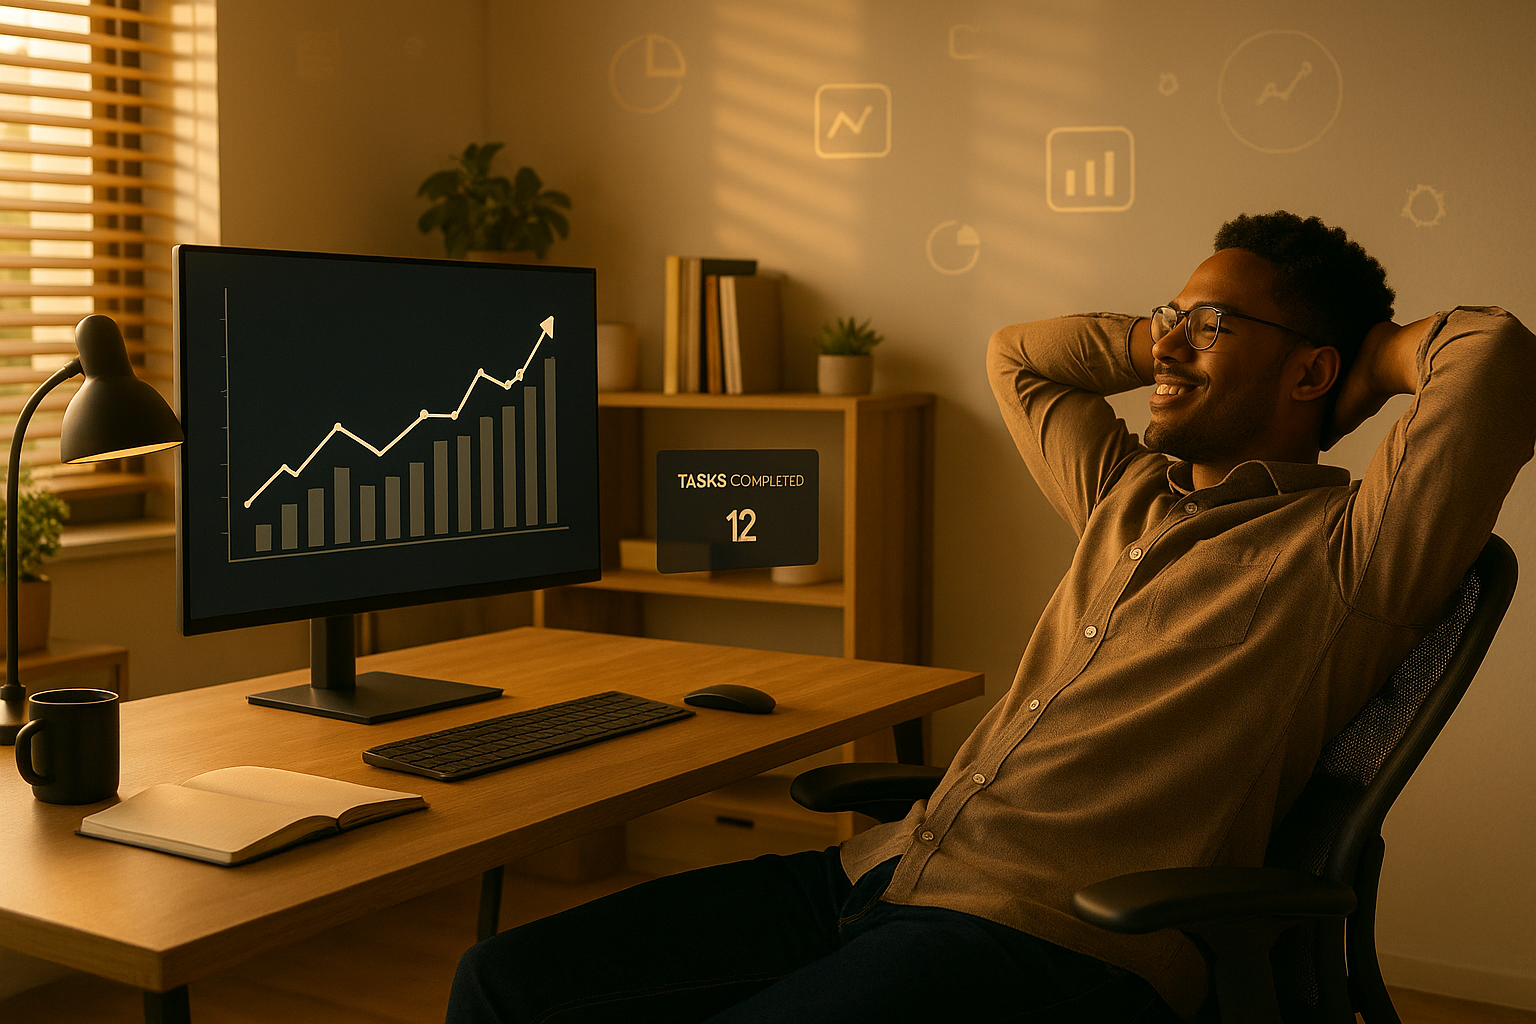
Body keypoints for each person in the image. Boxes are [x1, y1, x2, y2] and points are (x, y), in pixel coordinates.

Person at [446, 212, 1536, 1023]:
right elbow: (1018, 355)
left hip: (1050, 938)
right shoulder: (1128, 497)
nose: (1167, 345)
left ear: (1311, 368)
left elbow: (1490, 357)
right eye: (1170, 318)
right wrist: (1168, 339)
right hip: (889, 867)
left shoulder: (1356, 550)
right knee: (500, 981)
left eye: (1209, 323)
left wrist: (1368, 364)